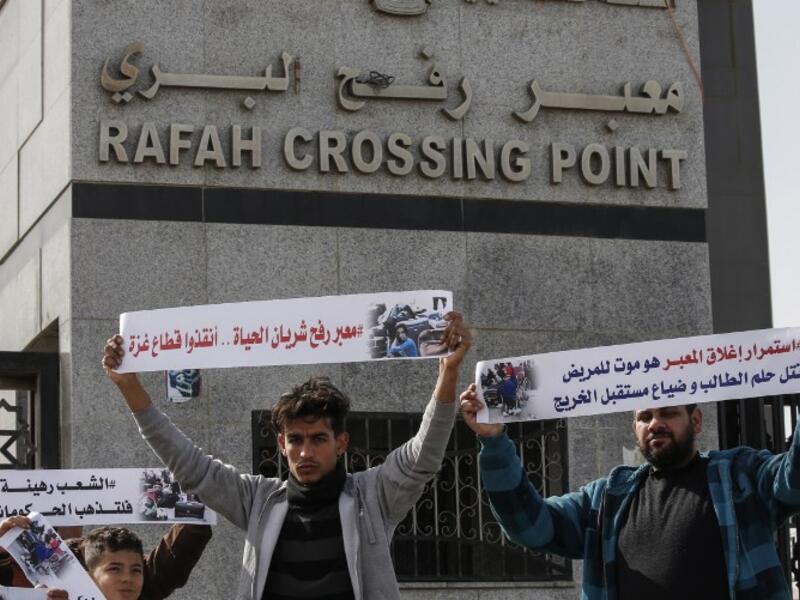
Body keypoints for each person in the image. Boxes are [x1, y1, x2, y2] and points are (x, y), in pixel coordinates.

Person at [102, 312, 470, 600]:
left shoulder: (373, 496)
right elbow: (190, 464)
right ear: (282, 444)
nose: (305, 451)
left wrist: (449, 372)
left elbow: (422, 457)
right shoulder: (258, 500)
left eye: (319, 439)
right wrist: (129, 387)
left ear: (341, 443)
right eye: (295, 439)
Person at [460, 384, 800, 600]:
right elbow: (530, 526)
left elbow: (792, 481)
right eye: (645, 416)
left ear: (696, 421)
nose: (655, 424)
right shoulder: (607, 499)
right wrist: (494, 442)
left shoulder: (740, 477)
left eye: (668, 413)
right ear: (634, 428)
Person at [0, 516, 211, 600]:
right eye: (114, 569)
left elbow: (176, 554)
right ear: (89, 575)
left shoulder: (145, 590)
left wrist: (199, 501)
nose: (127, 578)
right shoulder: (52, 594)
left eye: (136, 570)